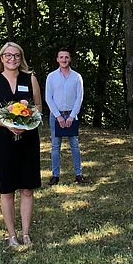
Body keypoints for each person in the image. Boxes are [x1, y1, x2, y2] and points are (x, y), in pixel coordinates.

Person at [0, 42, 42, 248]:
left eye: (16, 55)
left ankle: (26, 234)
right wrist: (7, 123)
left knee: (27, 189)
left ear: (21, 58)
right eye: (8, 55)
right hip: (3, 141)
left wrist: (28, 123)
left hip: (28, 140)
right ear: (1, 58)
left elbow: (38, 107)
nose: (12, 59)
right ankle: (12, 235)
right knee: (7, 190)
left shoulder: (30, 78)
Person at [45, 48, 85, 185]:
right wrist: (58, 116)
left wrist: (72, 116)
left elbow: (79, 98)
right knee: (55, 146)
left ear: (70, 59)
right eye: (61, 57)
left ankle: (78, 174)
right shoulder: (51, 77)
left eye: (66, 57)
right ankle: (55, 176)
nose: (64, 60)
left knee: (74, 145)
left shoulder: (77, 77)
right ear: (57, 59)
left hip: (72, 115)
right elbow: (48, 98)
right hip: (56, 116)